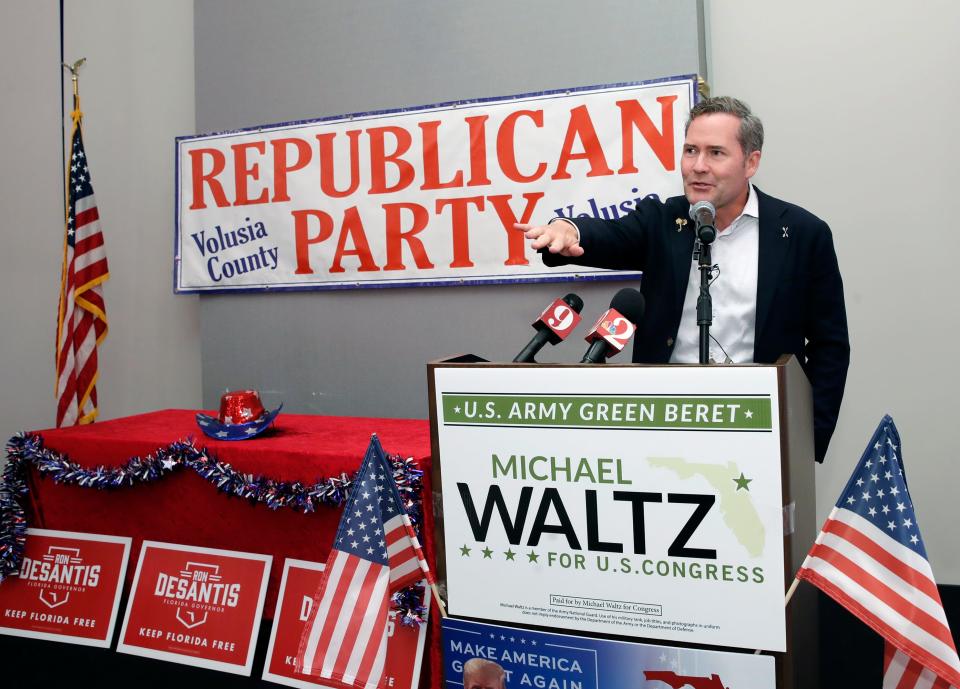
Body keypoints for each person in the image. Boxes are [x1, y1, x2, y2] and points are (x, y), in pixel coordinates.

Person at [516, 96, 849, 463]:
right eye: (691, 150)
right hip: (662, 428)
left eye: (716, 153)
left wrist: (805, 440)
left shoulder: (802, 233)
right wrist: (569, 229)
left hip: (759, 432)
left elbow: (829, 345)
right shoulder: (664, 220)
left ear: (751, 162)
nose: (698, 166)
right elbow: (608, 234)